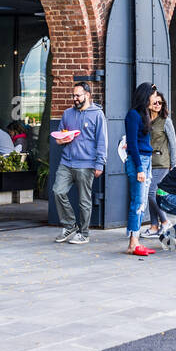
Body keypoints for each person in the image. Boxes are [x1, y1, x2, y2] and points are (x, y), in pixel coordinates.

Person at [52, 83, 106, 245]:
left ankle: (84, 233)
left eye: (78, 96)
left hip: (87, 164)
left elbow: (102, 141)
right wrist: (62, 140)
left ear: (88, 95)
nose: (75, 99)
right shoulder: (67, 113)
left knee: (84, 200)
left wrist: (99, 163)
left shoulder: (97, 115)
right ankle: (69, 225)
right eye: (73, 96)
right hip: (67, 162)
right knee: (57, 191)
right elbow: (59, 137)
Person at [122, 82, 158, 255]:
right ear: (146, 96)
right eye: (153, 95)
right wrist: (139, 169)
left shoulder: (144, 114)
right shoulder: (133, 115)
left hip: (146, 160)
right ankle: (133, 243)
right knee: (137, 202)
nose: (156, 99)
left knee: (142, 202)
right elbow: (132, 144)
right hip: (139, 162)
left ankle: (134, 241)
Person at [139, 90, 176, 241]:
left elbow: (173, 144)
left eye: (160, 102)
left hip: (162, 163)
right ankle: (154, 227)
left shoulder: (166, 121)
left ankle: (165, 221)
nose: (157, 105)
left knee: (150, 192)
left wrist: (173, 164)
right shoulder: (146, 120)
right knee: (152, 194)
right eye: (155, 102)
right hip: (148, 162)